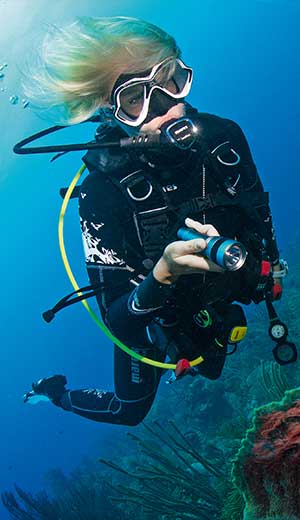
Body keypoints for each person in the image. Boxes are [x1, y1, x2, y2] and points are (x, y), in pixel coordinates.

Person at [23, 16, 284, 426]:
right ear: (110, 113)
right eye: (135, 99)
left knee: (212, 361)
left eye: (171, 80)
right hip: (155, 314)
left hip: (215, 296)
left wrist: (264, 270)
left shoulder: (223, 137)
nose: (168, 106)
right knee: (130, 412)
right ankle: (53, 393)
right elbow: (119, 322)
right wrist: (162, 274)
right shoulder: (101, 195)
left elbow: (260, 221)